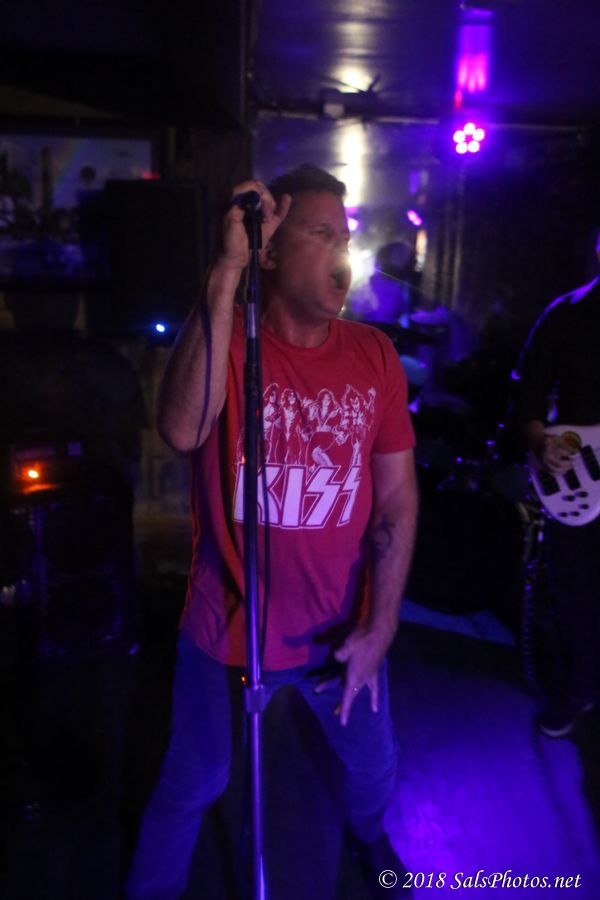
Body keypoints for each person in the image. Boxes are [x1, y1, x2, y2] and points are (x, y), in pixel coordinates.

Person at [125, 165, 418, 898]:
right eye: (322, 234)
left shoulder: (375, 355)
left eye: (345, 237)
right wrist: (225, 271)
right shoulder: (230, 341)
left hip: (339, 629)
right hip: (227, 626)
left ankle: (370, 838)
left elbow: (396, 501)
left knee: (373, 766)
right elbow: (180, 430)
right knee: (194, 780)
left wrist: (381, 626)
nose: (342, 252)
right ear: (273, 251)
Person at [515, 259, 600, 738]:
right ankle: (577, 689)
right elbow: (529, 386)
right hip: (578, 475)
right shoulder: (568, 313)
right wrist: (537, 440)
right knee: (575, 591)